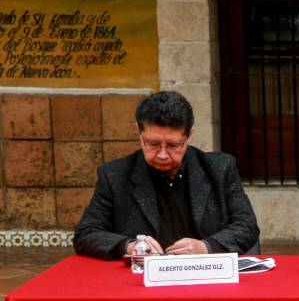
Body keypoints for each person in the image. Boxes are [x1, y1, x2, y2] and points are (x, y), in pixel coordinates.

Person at [73, 91, 260, 259]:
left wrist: (205, 247)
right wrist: (130, 247)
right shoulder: (114, 176)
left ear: (188, 136)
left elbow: (247, 226)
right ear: (140, 134)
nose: (162, 154)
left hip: (206, 275)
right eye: (153, 144)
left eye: (173, 145)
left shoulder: (220, 168)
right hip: (142, 283)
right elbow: (86, 233)